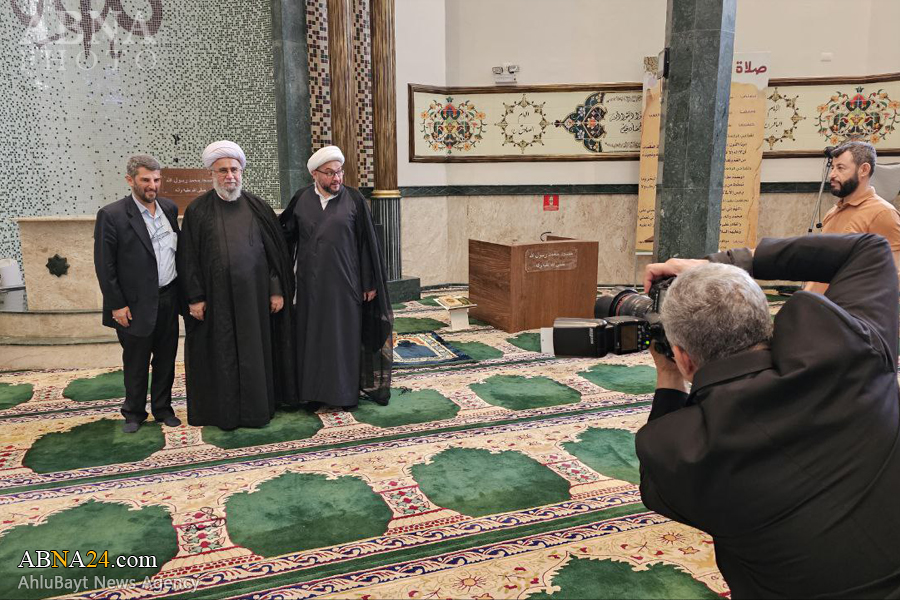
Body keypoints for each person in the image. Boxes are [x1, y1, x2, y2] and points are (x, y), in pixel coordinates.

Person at [638, 233, 900, 598]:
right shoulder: (851, 351)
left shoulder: (685, 452)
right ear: (766, 323)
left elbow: (655, 486)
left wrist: (668, 380)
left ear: (683, 357)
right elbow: (869, 249)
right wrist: (725, 262)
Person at [177, 141, 295, 429]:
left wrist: (276, 289)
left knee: (256, 353)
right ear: (212, 174)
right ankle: (225, 413)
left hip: (255, 300)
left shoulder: (258, 207)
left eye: (234, 169)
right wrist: (195, 298)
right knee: (223, 354)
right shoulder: (198, 210)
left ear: (242, 172)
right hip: (216, 302)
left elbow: (274, 254)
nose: (229, 175)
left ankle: (257, 410)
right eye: (223, 171)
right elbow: (188, 258)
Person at [280, 145, 393, 410]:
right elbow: (283, 236)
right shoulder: (301, 199)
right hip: (309, 287)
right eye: (330, 173)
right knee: (311, 338)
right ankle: (312, 393)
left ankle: (343, 394)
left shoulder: (354, 200)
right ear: (315, 175)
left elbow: (368, 243)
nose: (337, 178)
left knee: (342, 339)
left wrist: (369, 282)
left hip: (346, 285)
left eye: (339, 172)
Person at [94, 155, 182, 433]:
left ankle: (163, 408)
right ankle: (133, 412)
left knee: (166, 358)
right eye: (146, 180)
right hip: (133, 305)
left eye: (156, 179)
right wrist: (116, 305)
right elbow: (104, 264)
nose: (152, 185)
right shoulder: (112, 215)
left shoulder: (168, 208)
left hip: (168, 298)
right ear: (130, 180)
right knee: (136, 361)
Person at [805, 141, 900, 294]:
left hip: (850, 313)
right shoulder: (833, 211)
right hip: (818, 308)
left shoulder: (883, 213)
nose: (832, 174)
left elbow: (894, 278)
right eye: (833, 167)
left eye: (840, 168)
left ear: (863, 169)